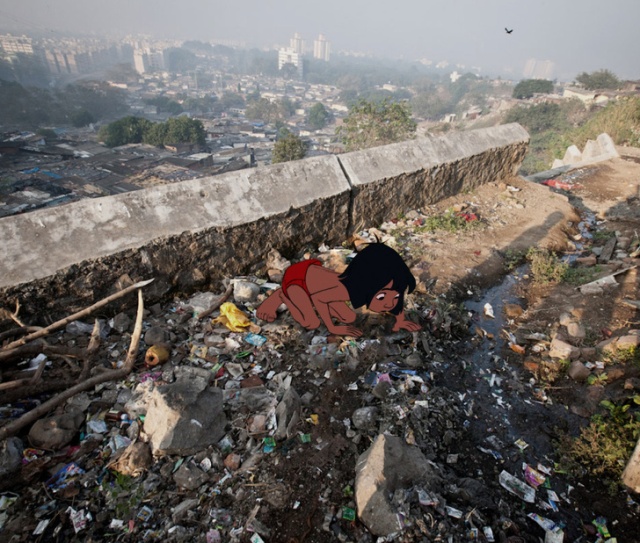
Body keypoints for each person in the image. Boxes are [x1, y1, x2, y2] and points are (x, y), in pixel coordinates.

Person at [256, 243, 421, 337]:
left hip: (315, 282)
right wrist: (332, 328)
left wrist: (401, 320)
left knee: (348, 316)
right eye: (382, 297)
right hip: (297, 280)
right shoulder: (347, 289)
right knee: (311, 322)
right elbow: (321, 299)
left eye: (394, 297)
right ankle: (282, 295)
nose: (388, 304)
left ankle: (307, 299)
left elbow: (395, 295)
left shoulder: (378, 286)